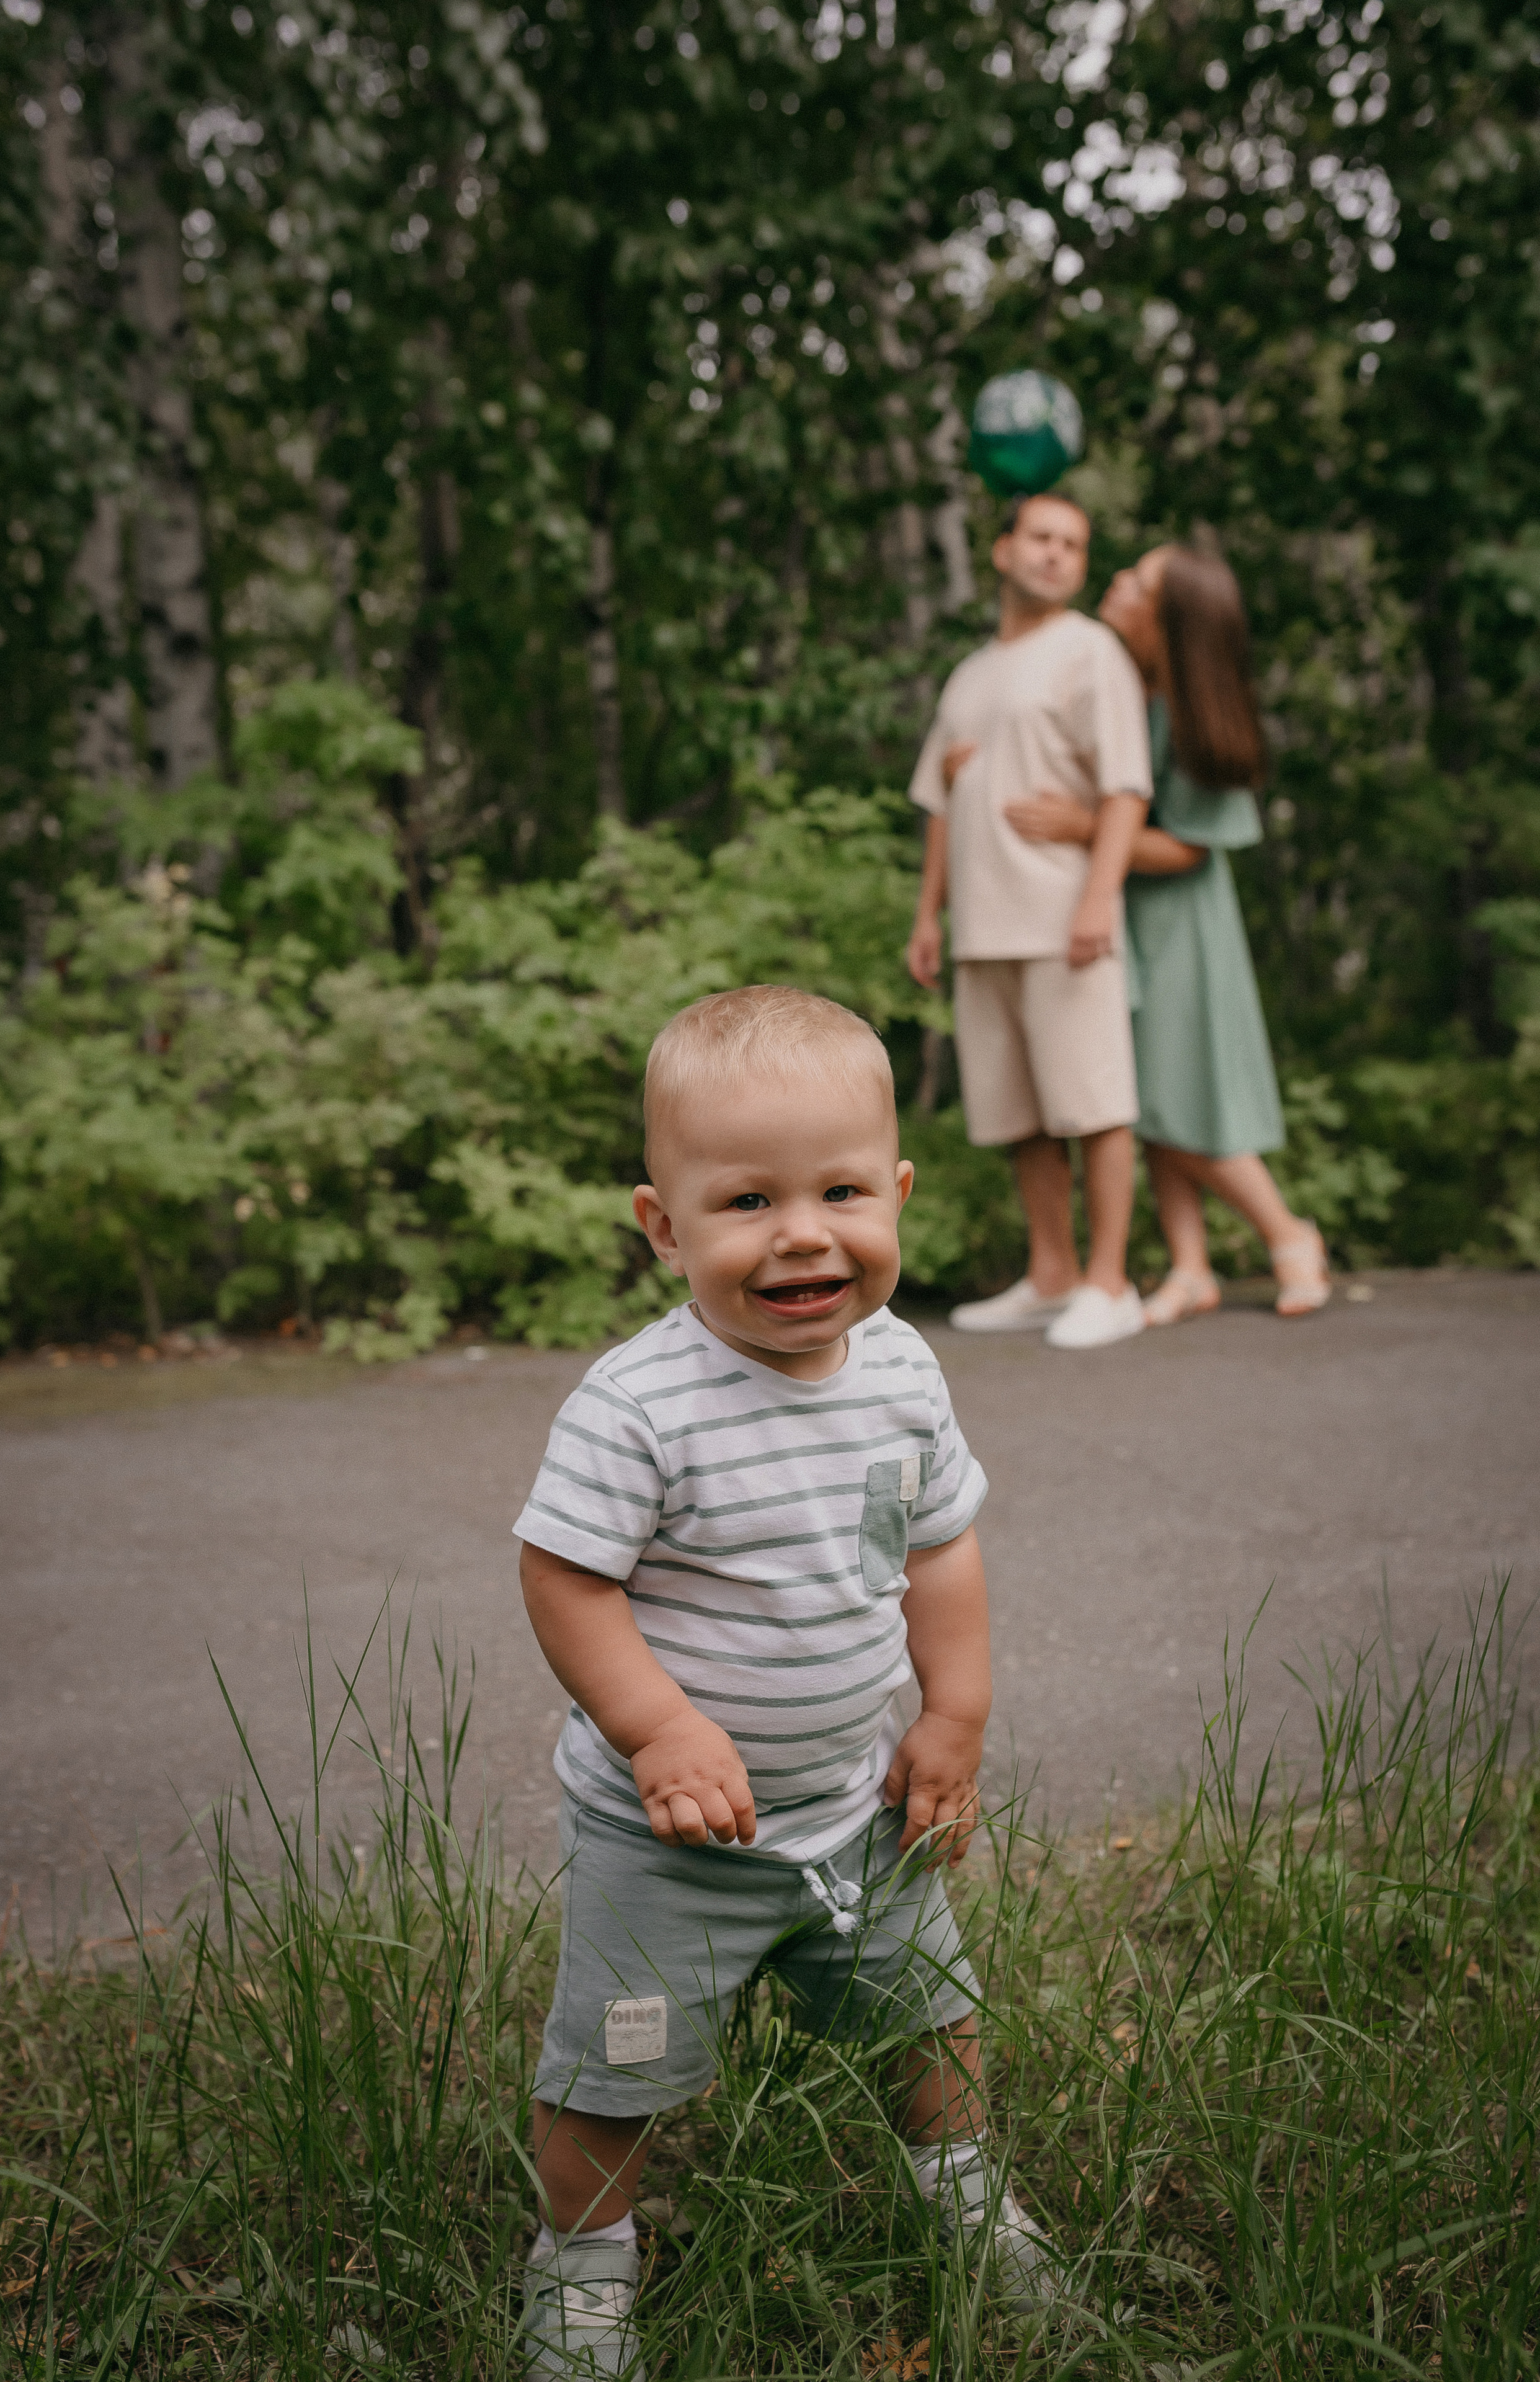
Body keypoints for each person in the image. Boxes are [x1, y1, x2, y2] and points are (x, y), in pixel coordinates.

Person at [514, 985, 1053, 2380]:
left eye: (840, 1191)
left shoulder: (900, 1372)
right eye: (745, 1200)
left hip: (853, 1807)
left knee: (934, 2020)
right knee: (608, 2076)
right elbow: (564, 1579)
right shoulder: (639, 1406)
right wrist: (657, 1727)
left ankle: (966, 2205)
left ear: (899, 1194)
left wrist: (953, 1716)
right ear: (662, 1225)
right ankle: (581, 2272)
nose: (802, 1232)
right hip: (670, 1838)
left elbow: (937, 1547)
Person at [1002, 545, 1331, 1323]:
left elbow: (1188, 844)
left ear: (1168, 616)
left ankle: (1288, 1233)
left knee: (1166, 1096)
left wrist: (1083, 828)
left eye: (1137, 581)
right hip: (1117, 910)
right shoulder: (1122, 689)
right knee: (1139, 1090)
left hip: (1179, 919)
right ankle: (1190, 1266)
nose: (1115, 581)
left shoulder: (1191, 713)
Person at [905, 491, 1154, 1352]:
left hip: (1062, 918)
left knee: (1094, 1104)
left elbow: (1125, 787)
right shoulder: (970, 674)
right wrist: (927, 915)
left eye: (1074, 545)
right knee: (1020, 1116)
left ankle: (1109, 1282)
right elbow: (940, 797)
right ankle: (1051, 1275)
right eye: (1042, 538)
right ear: (1004, 550)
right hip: (983, 926)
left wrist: (1098, 897)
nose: (1056, 555)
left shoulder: (1092, 652)